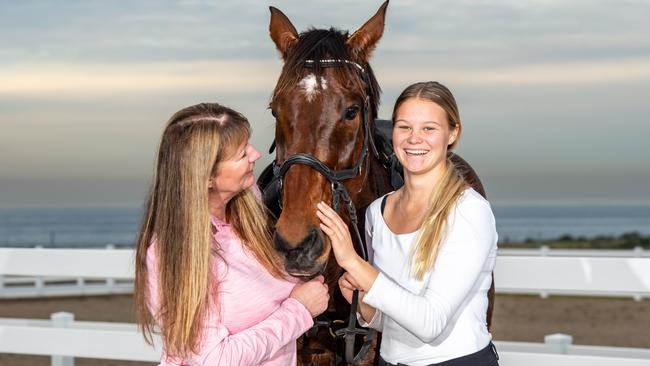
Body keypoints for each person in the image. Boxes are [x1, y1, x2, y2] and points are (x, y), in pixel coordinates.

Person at [317, 81, 499, 366]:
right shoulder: (378, 211)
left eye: (429, 128)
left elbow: (429, 323)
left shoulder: (468, 211)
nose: (415, 139)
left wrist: (353, 263)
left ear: (452, 133)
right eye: (404, 127)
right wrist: (366, 309)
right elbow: (397, 318)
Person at [134, 102, 329, 365]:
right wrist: (299, 311)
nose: (256, 154)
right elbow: (214, 360)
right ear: (206, 177)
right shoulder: (171, 254)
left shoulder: (247, 207)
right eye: (241, 154)